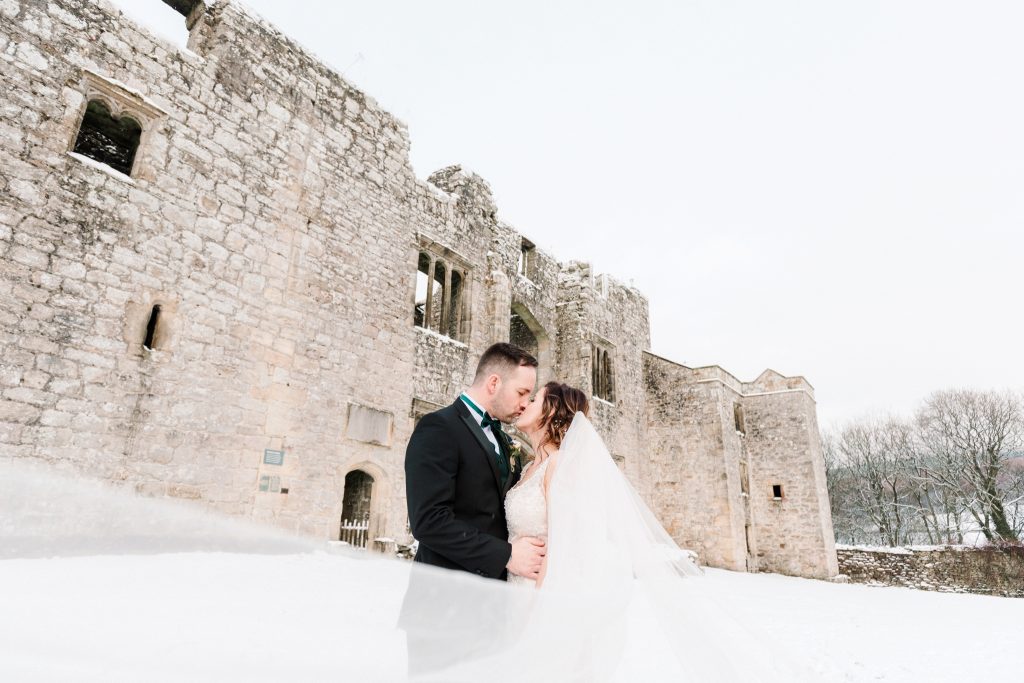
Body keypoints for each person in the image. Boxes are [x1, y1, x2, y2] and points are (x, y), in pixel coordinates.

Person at [404, 342, 547, 580]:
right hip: (446, 594)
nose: (525, 404)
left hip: (496, 596)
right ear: (494, 383)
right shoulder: (439, 428)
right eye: (522, 393)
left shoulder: (503, 439)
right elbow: (429, 521)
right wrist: (507, 556)